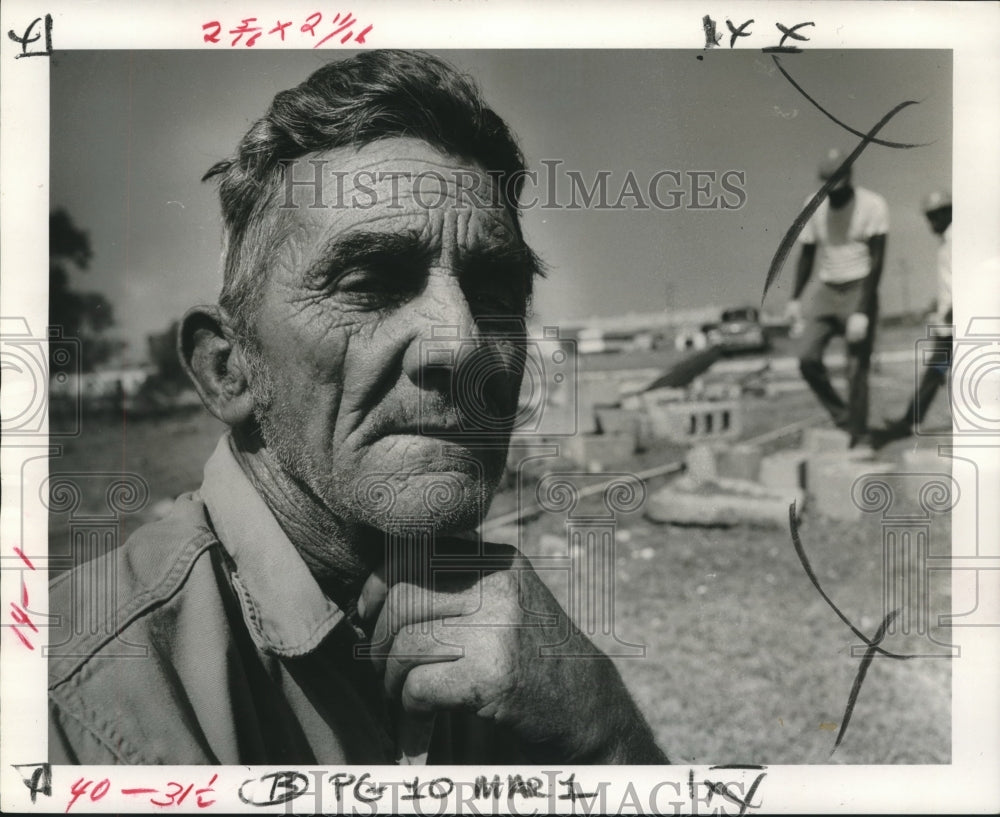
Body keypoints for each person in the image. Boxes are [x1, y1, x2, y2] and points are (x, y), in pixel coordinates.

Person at [47, 50, 667, 765]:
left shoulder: (505, 635)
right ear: (229, 369)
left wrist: (611, 739)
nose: (462, 343)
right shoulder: (79, 711)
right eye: (370, 282)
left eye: (496, 292)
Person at [786, 149, 889, 448]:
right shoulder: (812, 205)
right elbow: (807, 253)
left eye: (836, 180)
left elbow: (878, 257)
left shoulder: (873, 204)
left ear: (848, 177)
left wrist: (863, 309)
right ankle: (845, 418)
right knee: (807, 358)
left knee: (856, 365)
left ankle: (859, 435)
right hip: (827, 288)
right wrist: (795, 299)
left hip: (860, 286)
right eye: (826, 182)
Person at [871, 190, 952, 447]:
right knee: (936, 372)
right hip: (950, 327)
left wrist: (953, 311)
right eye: (929, 217)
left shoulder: (958, 238)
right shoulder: (946, 242)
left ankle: (908, 421)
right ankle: (909, 421)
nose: (932, 223)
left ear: (948, 212)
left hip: (961, 323)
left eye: (935, 216)